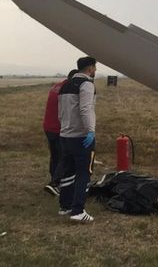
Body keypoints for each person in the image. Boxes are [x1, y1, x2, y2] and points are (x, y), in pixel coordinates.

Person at [57, 56, 98, 222]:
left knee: (68, 172)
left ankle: (64, 206)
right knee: (83, 174)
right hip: (81, 137)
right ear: (90, 69)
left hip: (65, 135)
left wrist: (64, 128)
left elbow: (61, 112)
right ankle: (78, 211)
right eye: (94, 68)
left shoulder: (65, 85)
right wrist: (90, 131)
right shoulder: (87, 84)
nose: (95, 71)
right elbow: (86, 109)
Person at [43, 69, 78, 196]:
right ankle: (55, 183)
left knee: (55, 155)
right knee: (64, 156)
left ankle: (53, 179)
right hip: (59, 128)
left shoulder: (56, 87)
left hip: (48, 126)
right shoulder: (68, 90)